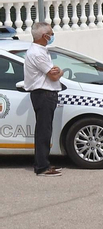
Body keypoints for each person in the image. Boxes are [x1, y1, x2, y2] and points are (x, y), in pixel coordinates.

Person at [23, 21, 63, 177]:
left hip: (46, 94)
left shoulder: (41, 50)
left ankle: (43, 162)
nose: (52, 36)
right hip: (44, 94)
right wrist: (60, 72)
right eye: (51, 34)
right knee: (43, 131)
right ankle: (42, 166)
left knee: (45, 130)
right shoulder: (37, 53)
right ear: (44, 36)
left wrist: (56, 72)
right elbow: (53, 76)